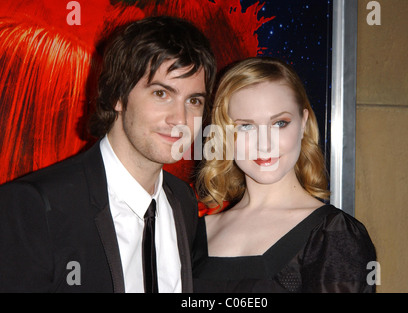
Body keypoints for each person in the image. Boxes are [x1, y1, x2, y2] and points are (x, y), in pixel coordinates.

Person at [0, 16, 216, 293]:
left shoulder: (183, 203)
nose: (181, 119)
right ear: (118, 96)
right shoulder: (32, 208)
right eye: (161, 93)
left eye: (194, 100)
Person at [193, 57, 376, 293]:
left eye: (280, 123)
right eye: (245, 126)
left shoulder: (332, 235)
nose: (265, 144)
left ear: (303, 124)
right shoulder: (193, 232)